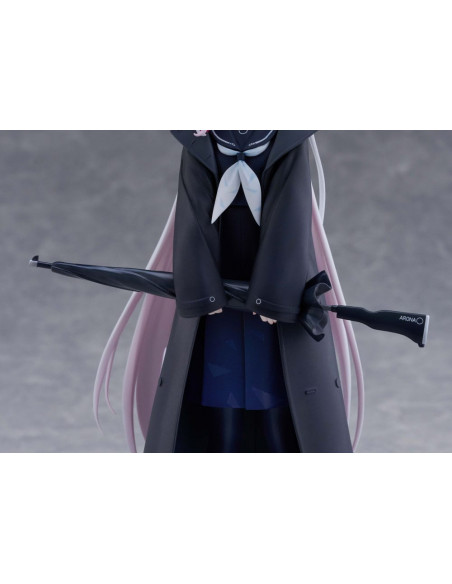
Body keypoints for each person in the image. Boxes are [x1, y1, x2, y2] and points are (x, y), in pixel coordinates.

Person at [94, 131, 364, 453]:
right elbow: (193, 214)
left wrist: (274, 297)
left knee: (279, 390)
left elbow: (290, 215)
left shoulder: (287, 140)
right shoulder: (201, 140)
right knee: (220, 388)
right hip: (217, 284)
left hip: (276, 286)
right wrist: (203, 290)